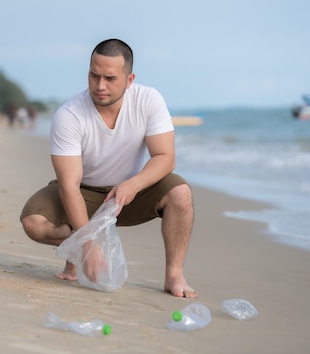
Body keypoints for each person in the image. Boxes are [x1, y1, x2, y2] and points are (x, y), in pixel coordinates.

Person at [20, 38, 197, 298]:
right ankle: (77, 254)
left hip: (129, 195)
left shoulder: (148, 100)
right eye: (94, 76)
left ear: (129, 79)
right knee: (34, 222)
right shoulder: (69, 115)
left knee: (180, 192)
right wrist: (87, 245)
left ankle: (174, 275)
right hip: (84, 193)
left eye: (110, 78)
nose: (100, 86)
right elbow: (69, 186)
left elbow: (165, 157)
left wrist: (133, 184)